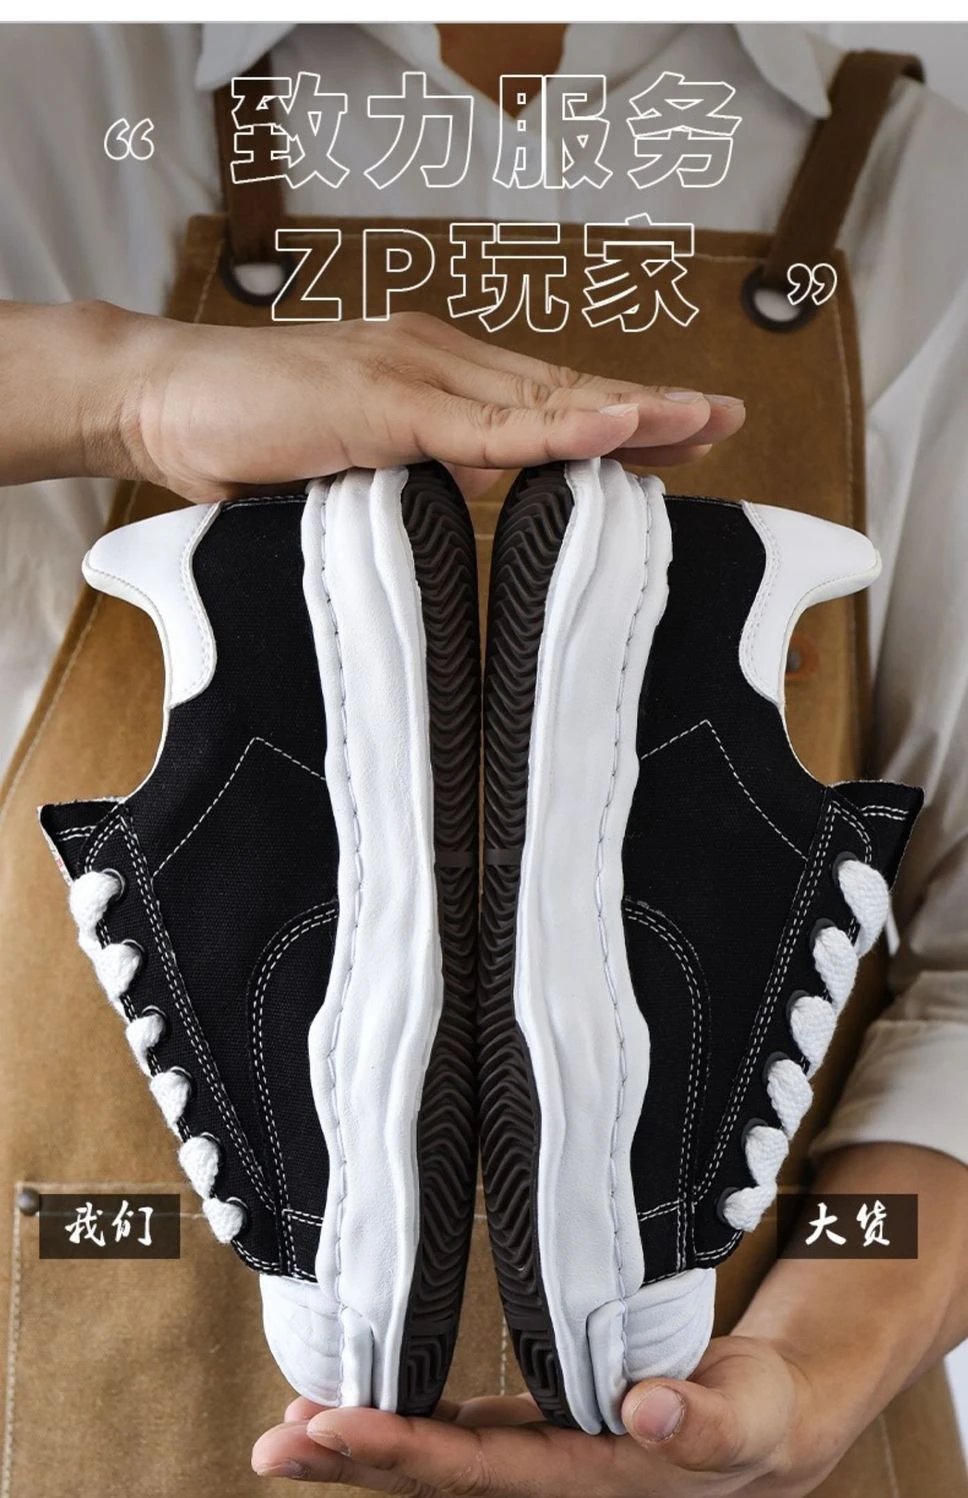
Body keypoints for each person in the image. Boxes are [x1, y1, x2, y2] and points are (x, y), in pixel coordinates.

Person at [0, 24, 966, 1498]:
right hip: (104, 1387)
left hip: (761, 1414)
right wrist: (113, 385)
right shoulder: (46, 100)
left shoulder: (921, 196)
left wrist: (817, 1370)